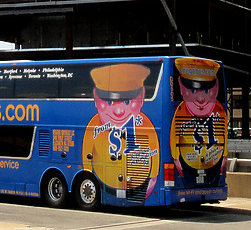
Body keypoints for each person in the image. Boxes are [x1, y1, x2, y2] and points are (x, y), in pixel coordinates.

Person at [82, 63, 159, 201]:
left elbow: (154, 171)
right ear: (95, 97)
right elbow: (85, 164)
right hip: (104, 186)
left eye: (128, 101)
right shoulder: (92, 125)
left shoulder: (146, 125)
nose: (119, 111)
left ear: (142, 96)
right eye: (109, 102)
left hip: (137, 186)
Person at [170, 57, 227, 187]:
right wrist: (175, 157)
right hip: (188, 163)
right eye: (193, 90)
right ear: (181, 86)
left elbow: (223, 134)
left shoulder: (219, 110)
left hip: (212, 164)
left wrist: (224, 156)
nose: (200, 99)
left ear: (216, 87)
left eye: (206, 90)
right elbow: (174, 136)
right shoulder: (180, 110)